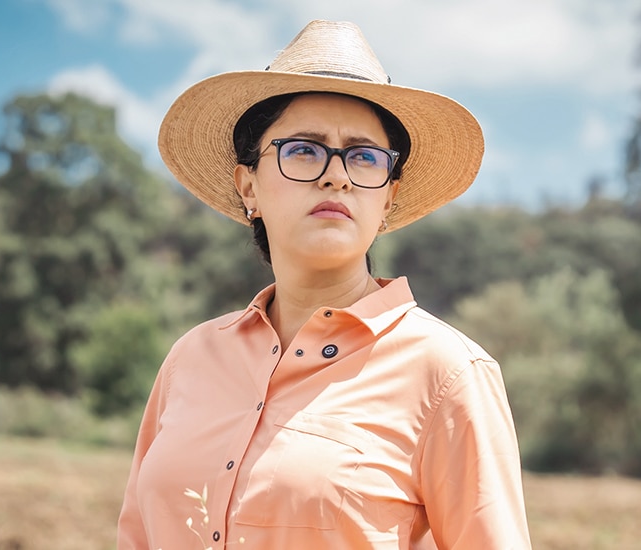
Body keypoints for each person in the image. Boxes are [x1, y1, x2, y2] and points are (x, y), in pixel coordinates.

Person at [117, 19, 531, 549]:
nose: (336, 175)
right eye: (304, 150)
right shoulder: (190, 359)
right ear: (249, 187)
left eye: (363, 157)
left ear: (388, 198)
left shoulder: (448, 374)